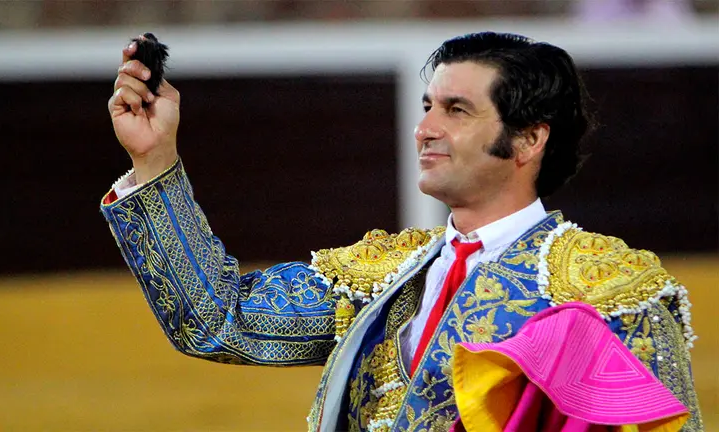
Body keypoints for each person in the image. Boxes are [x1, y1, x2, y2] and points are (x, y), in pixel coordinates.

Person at [101, 32, 703, 431]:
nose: (424, 129)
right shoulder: (385, 276)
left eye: (456, 110)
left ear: (527, 138)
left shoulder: (603, 289)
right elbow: (219, 322)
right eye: (427, 105)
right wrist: (156, 160)